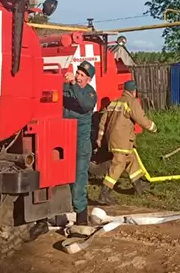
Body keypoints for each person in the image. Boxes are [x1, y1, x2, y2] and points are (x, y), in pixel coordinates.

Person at [95, 80, 157, 205]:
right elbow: (140, 118)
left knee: (131, 160)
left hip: (113, 139)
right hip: (122, 140)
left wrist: (100, 138)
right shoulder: (131, 102)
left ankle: (139, 185)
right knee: (118, 164)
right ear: (134, 91)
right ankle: (104, 193)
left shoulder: (115, 102)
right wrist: (153, 127)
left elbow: (103, 121)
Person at [63, 61, 98, 225]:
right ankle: (59, 215)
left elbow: (84, 105)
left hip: (80, 144)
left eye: (82, 75)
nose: (78, 77)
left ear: (88, 80)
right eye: (78, 73)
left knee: (78, 182)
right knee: (62, 180)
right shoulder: (70, 89)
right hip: (64, 140)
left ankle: (82, 219)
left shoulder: (90, 94)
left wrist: (72, 85)